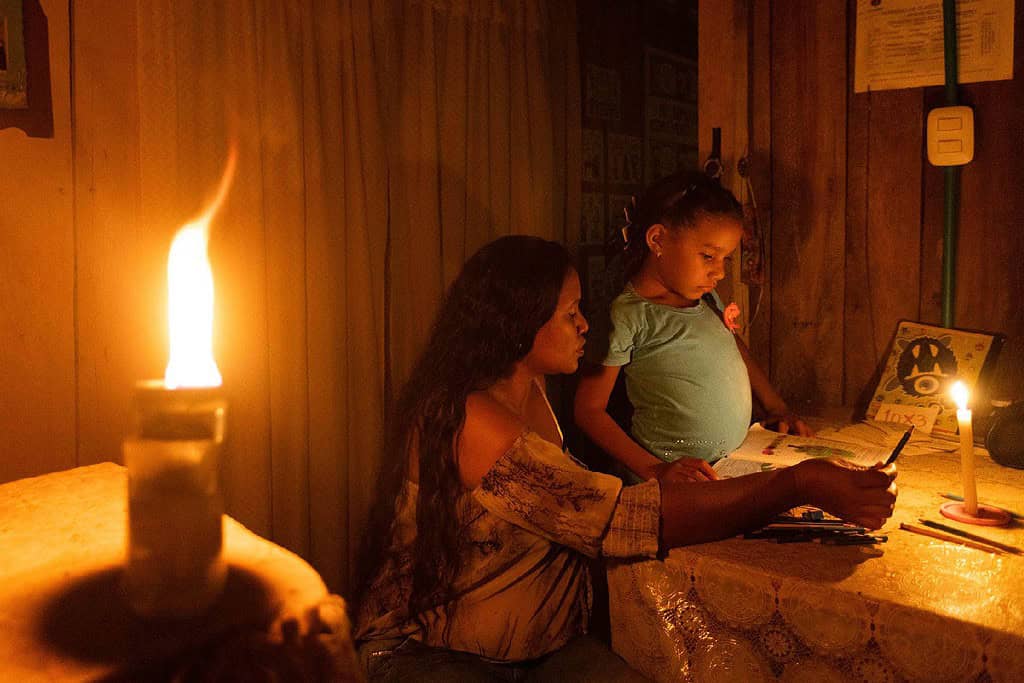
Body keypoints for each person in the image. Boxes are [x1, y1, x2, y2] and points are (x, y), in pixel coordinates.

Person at [354, 235, 897, 682]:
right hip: (434, 653)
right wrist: (798, 484)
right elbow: (623, 521)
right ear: (517, 323)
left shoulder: (530, 390)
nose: (586, 325)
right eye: (570, 313)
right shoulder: (472, 419)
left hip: (534, 647)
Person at [574, 170, 810, 484]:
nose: (720, 272)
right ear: (658, 240)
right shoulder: (628, 315)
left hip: (730, 466)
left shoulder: (707, 298)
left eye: (726, 258)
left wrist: (777, 406)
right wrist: (654, 469)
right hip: (673, 481)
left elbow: (734, 345)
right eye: (709, 255)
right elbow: (589, 410)